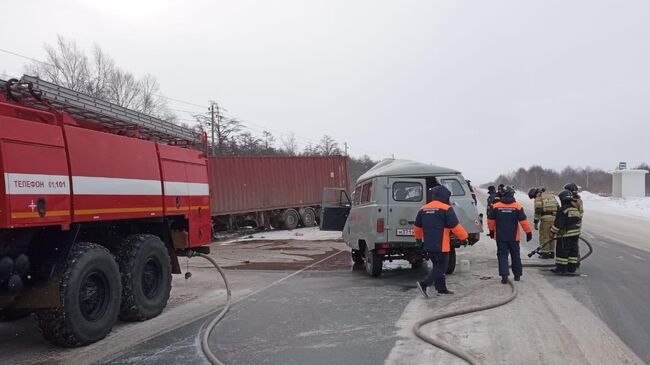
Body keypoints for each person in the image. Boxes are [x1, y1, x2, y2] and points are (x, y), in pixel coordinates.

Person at [414, 185, 469, 298]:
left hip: (429, 244)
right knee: (442, 267)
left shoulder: (423, 209)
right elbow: (455, 226)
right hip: (442, 245)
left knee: (437, 267)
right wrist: (464, 238)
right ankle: (424, 284)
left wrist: (419, 240)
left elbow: (417, 227)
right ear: (444, 196)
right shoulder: (446, 209)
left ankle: (441, 289)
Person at [488, 186, 533, 283]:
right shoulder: (517, 206)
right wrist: (528, 232)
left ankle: (504, 276)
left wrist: (491, 231)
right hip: (514, 237)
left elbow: (490, 221)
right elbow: (523, 221)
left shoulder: (495, 206)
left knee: (502, 255)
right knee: (515, 255)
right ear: (512, 195)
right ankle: (517, 275)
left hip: (500, 237)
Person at [550, 190, 583, 274]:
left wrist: (552, 232)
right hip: (575, 234)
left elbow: (558, 224)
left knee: (562, 251)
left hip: (565, 235)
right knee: (573, 250)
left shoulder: (563, 210)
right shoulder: (575, 209)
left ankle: (561, 268)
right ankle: (571, 268)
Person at [528, 187, 559, 259]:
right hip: (554, 219)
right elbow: (558, 207)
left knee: (544, 236)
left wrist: (536, 221)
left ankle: (545, 254)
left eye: (533, 197)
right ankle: (551, 252)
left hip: (546, 220)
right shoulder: (551, 195)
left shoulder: (538, 198)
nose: (534, 198)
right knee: (552, 236)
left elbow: (538, 210)